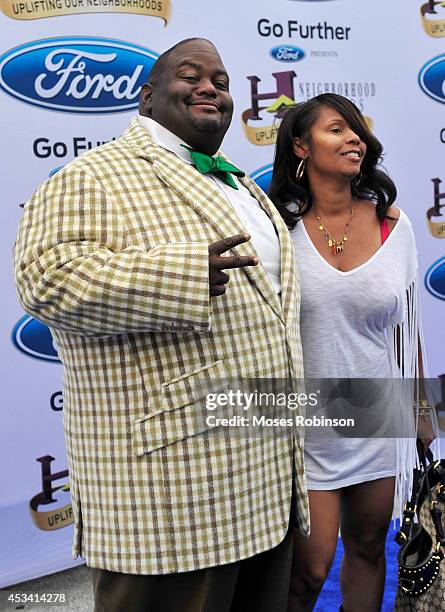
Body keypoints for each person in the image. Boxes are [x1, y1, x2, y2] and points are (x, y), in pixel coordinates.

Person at [14, 38, 308, 612]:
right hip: (172, 497)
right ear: (147, 97)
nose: (210, 88)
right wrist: (183, 273)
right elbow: (45, 281)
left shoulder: (241, 184)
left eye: (221, 82)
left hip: (263, 482)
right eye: (190, 75)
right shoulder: (93, 175)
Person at [269, 93, 436, 611]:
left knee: (367, 549)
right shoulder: (279, 229)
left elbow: (408, 328)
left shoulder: (395, 225)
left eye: (357, 131)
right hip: (303, 425)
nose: (353, 140)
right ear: (301, 146)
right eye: (337, 129)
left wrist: (422, 411)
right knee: (311, 568)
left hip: (375, 415)